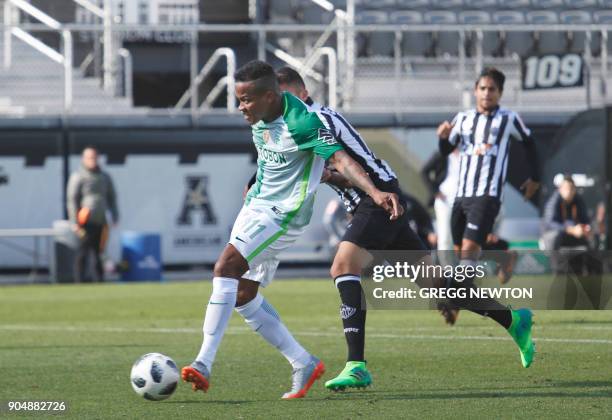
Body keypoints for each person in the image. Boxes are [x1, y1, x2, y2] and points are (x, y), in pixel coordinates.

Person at [277, 66, 537, 392]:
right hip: (379, 198)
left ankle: (356, 364)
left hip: (378, 198)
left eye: (284, 97)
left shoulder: (319, 120)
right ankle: (513, 321)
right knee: (437, 284)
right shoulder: (302, 123)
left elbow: (348, 163)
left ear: (301, 93)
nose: (281, 106)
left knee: (343, 266)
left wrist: (358, 187)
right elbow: (336, 168)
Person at [180, 60, 403, 400]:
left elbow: (341, 160)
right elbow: (272, 155)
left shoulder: (302, 123)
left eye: (245, 100)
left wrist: (374, 192)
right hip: (255, 208)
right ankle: (303, 362)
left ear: (270, 96)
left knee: (225, 268)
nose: (240, 107)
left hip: (283, 215)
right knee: (243, 295)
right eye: (238, 99)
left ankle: (203, 362)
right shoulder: (261, 115)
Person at [437, 67, 540, 325]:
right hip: (461, 197)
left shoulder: (508, 118)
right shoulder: (463, 119)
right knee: (462, 254)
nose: (486, 93)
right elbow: (445, 149)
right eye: (482, 88)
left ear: (500, 93)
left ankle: (453, 303)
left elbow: (529, 143)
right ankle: (503, 255)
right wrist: (443, 138)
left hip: (487, 195)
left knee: (469, 252)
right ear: (475, 91)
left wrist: (535, 178)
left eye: (492, 89)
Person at [66, 147, 118, 283]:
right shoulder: (78, 176)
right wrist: (74, 222)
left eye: (95, 157)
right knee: (82, 252)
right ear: (84, 159)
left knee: (98, 252)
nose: (93, 160)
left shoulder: (104, 176)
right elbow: (72, 200)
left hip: (100, 220)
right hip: (84, 221)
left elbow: (112, 197)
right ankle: (79, 281)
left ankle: (99, 281)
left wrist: (115, 215)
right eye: (89, 158)